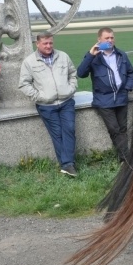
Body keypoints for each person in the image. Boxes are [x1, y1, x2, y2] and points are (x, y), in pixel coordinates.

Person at [19, 32, 79, 176]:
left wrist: (70, 89)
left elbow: (73, 74)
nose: (48, 46)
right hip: (46, 106)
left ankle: (67, 164)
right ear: (37, 44)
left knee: (69, 130)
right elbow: (24, 84)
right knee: (57, 134)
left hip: (66, 102)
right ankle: (67, 164)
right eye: (45, 43)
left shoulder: (63, 56)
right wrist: (39, 97)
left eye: (51, 43)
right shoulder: (29, 62)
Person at [76, 27, 133, 164]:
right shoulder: (94, 57)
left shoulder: (121, 55)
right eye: (106, 38)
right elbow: (81, 73)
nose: (110, 40)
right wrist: (91, 55)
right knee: (114, 129)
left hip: (121, 97)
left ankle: (123, 159)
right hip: (104, 100)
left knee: (122, 129)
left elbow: (131, 72)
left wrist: (128, 86)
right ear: (99, 40)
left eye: (112, 38)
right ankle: (128, 159)